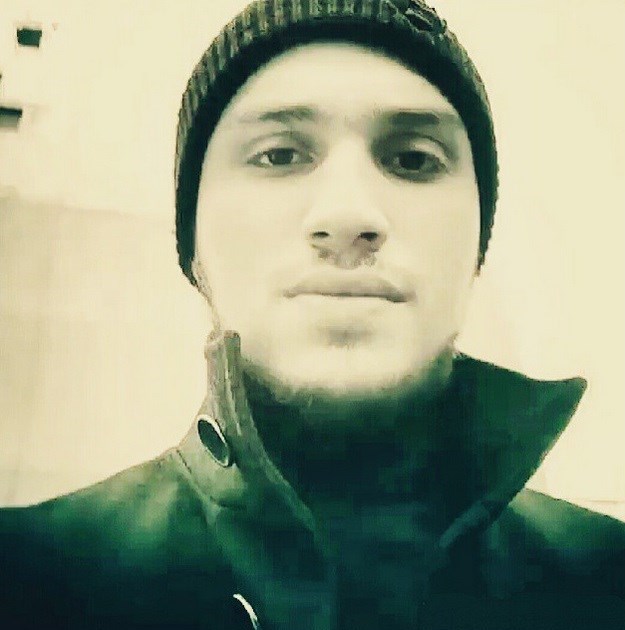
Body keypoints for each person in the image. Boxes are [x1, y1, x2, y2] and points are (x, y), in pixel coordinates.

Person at [1, 1, 623, 629]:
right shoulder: (27, 578)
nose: (349, 215)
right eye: (279, 155)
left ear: (476, 246)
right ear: (194, 248)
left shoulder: (607, 581)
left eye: (413, 159)